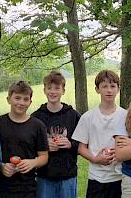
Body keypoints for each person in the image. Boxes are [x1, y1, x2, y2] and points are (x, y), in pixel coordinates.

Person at [71, 70, 127, 198]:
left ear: (118, 89)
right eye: (104, 86)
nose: (109, 90)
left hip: (121, 176)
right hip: (97, 177)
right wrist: (96, 159)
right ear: (97, 89)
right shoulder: (88, 117)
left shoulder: (126, 116)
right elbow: (81, 147)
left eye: (113, 86)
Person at [0, 80, 50, 198]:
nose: (21, 102)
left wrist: (33, 162)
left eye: (25, 99)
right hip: (0, 187)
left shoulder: (38, 126)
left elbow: (44, 156)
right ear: (8, 99)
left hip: (27, 188)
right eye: (17, 98)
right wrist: (1, 166)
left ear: (30, 102)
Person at [31, 70, 81, 198]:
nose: (52, 92)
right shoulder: (36, 117)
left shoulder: (73, 115)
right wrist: (44, 146)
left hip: (67, 175)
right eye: (49, 88)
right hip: (44, 176)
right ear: (44, 90)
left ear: (63, 91)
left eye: (57, 88)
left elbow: (83, 144)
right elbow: (30, 146)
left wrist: (70, 144)